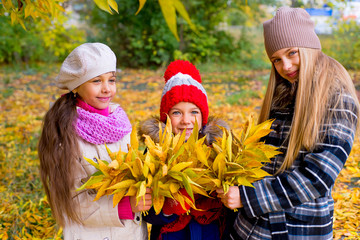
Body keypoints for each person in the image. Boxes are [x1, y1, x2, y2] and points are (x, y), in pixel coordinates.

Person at [216, 6, 360, 240]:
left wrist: (248, 197)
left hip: (295, 230)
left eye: (292, 53)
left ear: (309, 47)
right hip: (252, 226)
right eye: (276, 59)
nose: (286, 66)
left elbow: (318, 176)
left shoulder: (336, 98)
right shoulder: (283, 91)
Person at [38, 43, 152, 239]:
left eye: (111, 80)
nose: (107, 89)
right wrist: (127, 205)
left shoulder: (120, 123)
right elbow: (72, 201)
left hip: (129, 232)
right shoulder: (66, 134)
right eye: (96, 81)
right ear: (76, 85)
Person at [139, 60, 233, 240]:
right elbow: (144, 209)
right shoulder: (155, 152)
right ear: (166, 117)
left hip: (211, 233)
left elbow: (232, 203)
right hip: (171, 235)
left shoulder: (215, 150)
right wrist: (166, 210)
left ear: (203, 116)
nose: (186, 120)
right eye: (176, 112)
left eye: (194, 112)